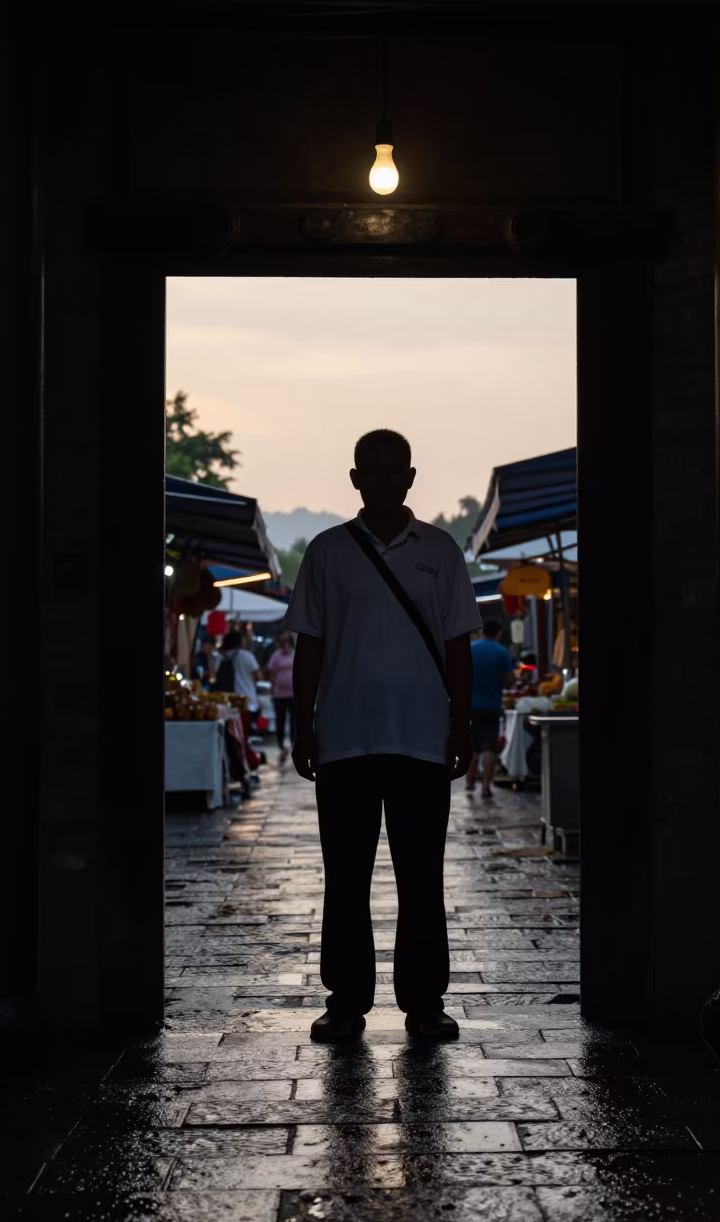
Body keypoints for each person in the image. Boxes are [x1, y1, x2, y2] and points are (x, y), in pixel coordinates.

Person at [285, 428, 481, 1043]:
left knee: (422, 875)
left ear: (411, 478)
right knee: (346, 876)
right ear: (355, 479)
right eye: (373, 471)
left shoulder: (442, 551)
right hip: (344, 738)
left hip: (422, 738)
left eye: (396, 471)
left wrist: (461, 720)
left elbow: (458, 646)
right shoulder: (326, 552)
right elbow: (308, 646)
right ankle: (345, 1000)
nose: (385, 481)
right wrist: (302, 721)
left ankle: (425, 1003)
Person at [467, 618, 516, 799]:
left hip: (471, 706)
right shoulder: (501, 652)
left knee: (473, 746)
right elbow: (510, 679)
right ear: (498, 634)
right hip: (492, 706)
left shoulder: (471, 650)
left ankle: (470, 781)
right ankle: (486, 787)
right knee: (489, 747)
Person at [268, 630, 296, 762]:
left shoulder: (295, 655)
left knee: (294, 719)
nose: (285, 645)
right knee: (280, 719)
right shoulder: (276, 656)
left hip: (293, 693)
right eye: (283, 643)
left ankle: (293, 741)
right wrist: (272, 689)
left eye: (287, 643)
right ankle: (280, 743)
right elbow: (272, 673)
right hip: (279, 694)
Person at [218, 629, 260, 718]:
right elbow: (257, 675)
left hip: (226, 698)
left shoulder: (221, 656)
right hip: (246, 699)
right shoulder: (246, 655)